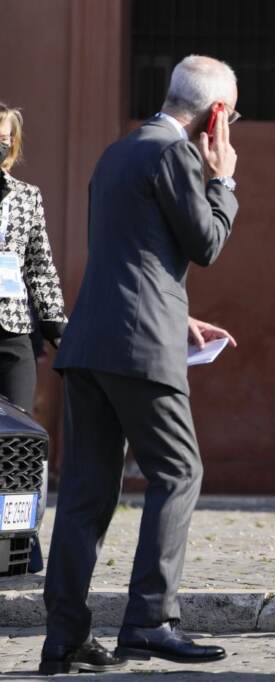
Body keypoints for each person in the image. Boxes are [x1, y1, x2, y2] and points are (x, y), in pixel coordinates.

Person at [40, 55, 240, 675]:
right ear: (217, 115)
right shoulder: (175, 154)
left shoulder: (119, 151)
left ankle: (64, 640)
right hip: (138, 348)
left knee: (84, 494)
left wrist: (177, 315)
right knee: (179, 471)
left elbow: (131, 254)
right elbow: (206, 244)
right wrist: (224, 181)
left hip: (90, 343)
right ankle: (151, 621)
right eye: (233, 119)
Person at [0, 103, 69, 575]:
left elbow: (40, 267)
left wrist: (56, 325)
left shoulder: (27, 197)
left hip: (13, 332)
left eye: (5, 137)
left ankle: (18, 539)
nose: (1, 143)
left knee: (16, 443)